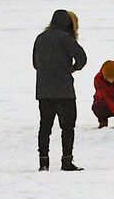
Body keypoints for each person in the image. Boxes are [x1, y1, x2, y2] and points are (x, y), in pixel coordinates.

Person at [33, 9, 87, 171]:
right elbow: (82, 58)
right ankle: (66, 161)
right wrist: (73, 68)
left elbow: (35, 63)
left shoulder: (40, 38)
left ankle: (43, 163)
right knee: (68, 127)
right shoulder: (66, 38)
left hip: (44, 90)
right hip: (64, 90)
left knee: (45, 127)